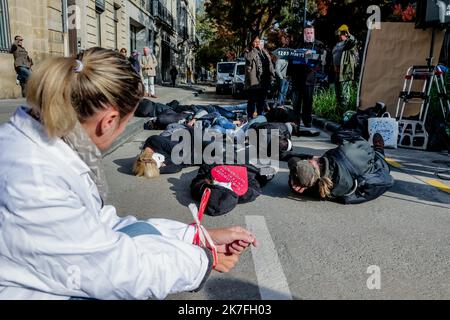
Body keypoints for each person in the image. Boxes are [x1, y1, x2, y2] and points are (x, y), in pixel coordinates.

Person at [0, 47, 257, 300]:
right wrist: (204, 259)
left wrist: (199, 236)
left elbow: (102, 225)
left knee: (141, 231)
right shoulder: (36, 180)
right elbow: (113, 271)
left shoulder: (44, 147)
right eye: (125, 123)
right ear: (109, 121)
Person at [287, 133, 394, 204]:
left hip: (362, 181)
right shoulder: (344, 152)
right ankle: (380, 150)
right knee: (376, 156)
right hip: (379, 169)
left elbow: (296, 170)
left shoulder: (321, 191)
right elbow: (365, 147)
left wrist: (295, 184)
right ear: (311, 162)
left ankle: (379, 152)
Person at [287, 22, 326, 128]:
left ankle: (307, 121)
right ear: (303, 33)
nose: (309, 34)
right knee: (296, 101)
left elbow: (322, 60)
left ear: (313, 33)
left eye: (311, 33)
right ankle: (296, 121)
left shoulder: (319, 45)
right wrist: (288, 74)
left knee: (308, 101)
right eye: (307, 32)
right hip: (297, 78)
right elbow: (290, 59)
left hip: (310, 78)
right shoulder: (297, 44)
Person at [244, 36, 275, 119]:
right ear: (252, 42)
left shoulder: (264, 51)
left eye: (259, 41)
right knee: (252, 99)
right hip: (254, 79)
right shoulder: (248, 51)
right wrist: (255, 49)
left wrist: (272, 75)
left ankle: (260, 115)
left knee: (261, 99)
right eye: (256, 41)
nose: (258, 43)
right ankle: (250, 116)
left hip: (264, 79)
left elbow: (270, 63)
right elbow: (249, 59)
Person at [332, 24, 358, 111]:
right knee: (338, 93)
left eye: (342, 33)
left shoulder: (349, 44)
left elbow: (354, 41)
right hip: (336, 72)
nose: (340, 35)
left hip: (345, 72)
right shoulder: (337, 44)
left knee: (345, 93)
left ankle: (345, 111)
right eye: (340, 33)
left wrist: (349, 34)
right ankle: (339, 111)